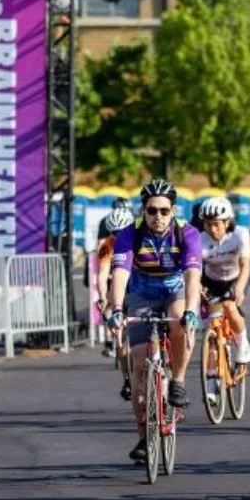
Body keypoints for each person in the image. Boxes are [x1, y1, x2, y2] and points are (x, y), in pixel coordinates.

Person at [107, 179, 202, 466]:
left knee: (180, 324)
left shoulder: (188, 233)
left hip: (174, 289)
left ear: (173, 210)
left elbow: (192, 276)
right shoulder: (129, 234)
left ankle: (178, 381)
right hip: (141, 292)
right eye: (151, 211)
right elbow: (120, 273)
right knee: (138, 368)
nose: (157, 217)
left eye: (163, 211)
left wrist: (192, 311)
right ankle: (142, 437)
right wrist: (115, 309)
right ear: (143, 210)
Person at [198, 196, 250, 405]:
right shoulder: (199, 240)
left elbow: (246, 265)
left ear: (227, 221)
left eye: (217, 224)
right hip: (210, 282)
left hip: (234, 280)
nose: (212, 229)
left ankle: (242, 345)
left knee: (230, 307)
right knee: (211, 331)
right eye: (208, 224)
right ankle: (212, 383)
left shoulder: (240, 235)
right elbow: (194, 269)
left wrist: (240, 287)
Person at [94, 204, 134, 391]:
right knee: (121, 337)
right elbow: (102, 275)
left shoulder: (140, 240)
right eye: (115, 233)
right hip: (118, 287)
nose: (119, 237)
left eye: (123, 232)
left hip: (138, 286)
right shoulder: (106, 246)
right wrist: (102, 297)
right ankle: (127, 379)